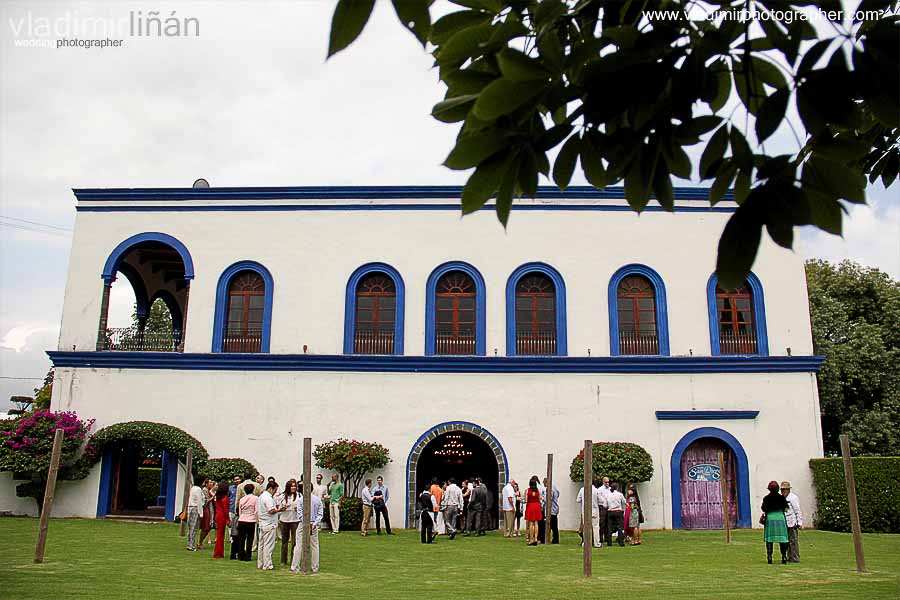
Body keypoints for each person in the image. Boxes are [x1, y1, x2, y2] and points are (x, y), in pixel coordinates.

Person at [291, 488, 324, 573]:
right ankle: (315, 567)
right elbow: (320, 513)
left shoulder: (301, 500)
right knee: (314, 546)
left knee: (299, 545)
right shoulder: (316, 499)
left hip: (305, 524)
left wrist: (309, 523)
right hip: (312, 523)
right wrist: (314, 523)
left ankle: (295, 566)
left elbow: (299, 513)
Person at [257, 481, 286, 570]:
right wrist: (280, 509)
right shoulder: (268, 498)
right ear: (270, 489)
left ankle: (260, 563)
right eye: (275, 490)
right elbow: (271, 510)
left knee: (261, 545)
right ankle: (267, 564)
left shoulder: (261, 496)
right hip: (269, 523)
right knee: (268, 545)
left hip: (262, 523)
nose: (275, 492)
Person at [761, 480, 790, 564]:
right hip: (780, 518)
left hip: (770, 518)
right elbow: (786, 509)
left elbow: (763, 508)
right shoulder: (781, 498)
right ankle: (784, 556)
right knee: (782, 538)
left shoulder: (766, 498)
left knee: (769, 539)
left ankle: (769, 556)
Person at [277, 479, 300, 565]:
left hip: (295, 520)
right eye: (292, 486)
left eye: (295, 486)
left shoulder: (299, 495)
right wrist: (282, 508)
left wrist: (298, 509)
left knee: (295, 541)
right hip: (284, 520)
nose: (293, 488)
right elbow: (278, 507)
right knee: (284, 541)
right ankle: (283, 560)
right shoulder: (282, 496)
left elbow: (301, 506)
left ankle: (293, 559)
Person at [781, 480, 802, 563]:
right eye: (782, 490)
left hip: (792, 522)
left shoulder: (793, 498)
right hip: (784, 522)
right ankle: (789, 557)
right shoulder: (782, 498)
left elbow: (797, 510)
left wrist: (799, 522)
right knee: (787, 541)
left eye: (784, 490)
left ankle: (795, 557)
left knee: (793, 541)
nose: (783, 491)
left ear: (788, 490)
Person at [235, 483, 258, 561]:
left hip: (242, 519)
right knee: (250, 538)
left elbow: (240, 510)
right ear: (253, 490)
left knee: (241, 538)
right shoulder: (255, 498)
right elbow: (256, 510)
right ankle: (248, 555)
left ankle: (241, 554)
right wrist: (256, 519)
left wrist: (240, 517)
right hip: (251, 520)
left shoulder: (242, 499)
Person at [576, 479, 601, 548]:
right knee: (595, 527)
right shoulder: (596, 490)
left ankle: (585, 542)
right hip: (595, 510)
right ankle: (597, 543)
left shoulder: (582, 489)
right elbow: (601, 501)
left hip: (585, 511)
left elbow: (578, 500)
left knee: (586, 527)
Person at [185, 474, 205, 551]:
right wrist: (201, 513)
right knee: (194, 527)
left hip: (191, 508)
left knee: (191, 527)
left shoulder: (193, 488)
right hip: (195, 508)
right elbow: (199, 501)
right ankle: (191, 545)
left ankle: (190, 543)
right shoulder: (198, 489)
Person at [606, 482, 627, 547]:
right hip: (618, 511)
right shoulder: (619, 494)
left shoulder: (608, 495)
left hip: (610, 511)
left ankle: (609, 542)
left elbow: (606, 503)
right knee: (620, 527)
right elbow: (624, 502)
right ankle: (621, 542)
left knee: (609, 527)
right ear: (617, 487)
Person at [524, 477, 542, 546]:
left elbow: (526, 500)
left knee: (531, 523)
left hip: (530, 506)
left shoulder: (527, 490)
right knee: (536, 523)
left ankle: (531, 539)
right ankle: (536, 538)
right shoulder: (537, 490)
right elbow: (539, 498)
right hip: (537, 506)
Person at [542, 477, 560, 544]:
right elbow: (558, 494)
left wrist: (543, 498)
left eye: (544, 483)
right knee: (554, 526)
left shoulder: (550, 488)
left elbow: (549, 498)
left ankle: (554, 539)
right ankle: (555, 539)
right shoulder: (554, 486)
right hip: (554, 508)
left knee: (552, 525)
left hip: (551, 509)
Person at [228, 475, 241, 552]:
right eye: (235, 479)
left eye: (238, 479)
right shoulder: (231, 488)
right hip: (231, 508)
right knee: (231, 524)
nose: (237, 481)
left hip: (239, 509)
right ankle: (231, 538)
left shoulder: (242, 487)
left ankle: (237, 538)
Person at [598, 476, 611, 547]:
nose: (607, 483)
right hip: (602, 507)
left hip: (609, 507)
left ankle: (607, 537)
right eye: (606, 482)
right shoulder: (600, 489)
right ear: (603, 482)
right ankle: (600, 537)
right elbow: (600, 499)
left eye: (608, 482)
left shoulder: (610, 489)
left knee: (608, 523)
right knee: (602, 523)